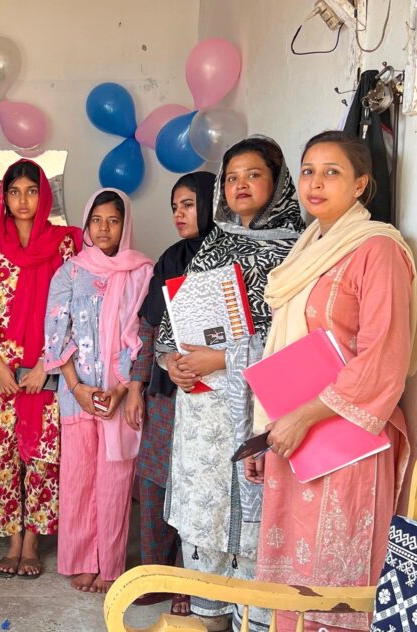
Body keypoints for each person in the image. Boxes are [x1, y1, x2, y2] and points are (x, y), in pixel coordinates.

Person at [252, 131, 417, 632]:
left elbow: (383, 356)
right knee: (292, 579)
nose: (316, 183)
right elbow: (283, 352)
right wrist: (267, 431)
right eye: (308, 171)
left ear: (361, 184)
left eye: (332, 172)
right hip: (293, 435)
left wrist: (305, 416)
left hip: (346, 439)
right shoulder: (309, 249)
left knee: (332, 580)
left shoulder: (377, 250)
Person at [155, 136, 304, 632]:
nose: (241, 185)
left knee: (255, 529)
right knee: (206, 524)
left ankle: (253, 620)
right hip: (203, 414)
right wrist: (171, 362)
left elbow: (300, 342)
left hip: (258, 410)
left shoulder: (299, 251)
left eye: (253, 175)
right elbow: (171, 327)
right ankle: (208, 617)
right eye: (232, 177)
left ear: (277, 182)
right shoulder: (212, 246)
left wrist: (222, 357)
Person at [45, 188, 153, 593]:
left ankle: (109, 565)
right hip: (77, 393)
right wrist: (77, 387)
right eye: (97, 220)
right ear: (87, 224)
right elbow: (56, 332)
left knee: (114, 482)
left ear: (125, 225)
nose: (104, 228)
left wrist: (120, 390)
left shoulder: (142, 271)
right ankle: (82, 561)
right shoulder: (70, 272)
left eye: (113, 220)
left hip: (118, 395)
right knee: (78, 479)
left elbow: (140, 334)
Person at [0, 159, 82, 579]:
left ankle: (32, 542)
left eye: (31, 191)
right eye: (14, 191)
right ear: (4, 198)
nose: (22, 200)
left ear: (44, 197)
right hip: (1, 369)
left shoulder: (65, 245)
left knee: (43, 457)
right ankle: (12, 540)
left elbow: (74, 308)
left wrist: (46, 363)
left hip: (48, 367)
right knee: (1, 454)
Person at [124, 171, 216, 612]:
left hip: (210, 392)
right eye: (174, 207)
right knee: (156, 480)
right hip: (165, 388)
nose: (179, 214)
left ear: (211, 204)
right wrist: (135, 386)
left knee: (196, 486)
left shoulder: (227, 257)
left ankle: (188, 582)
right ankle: (156, 574)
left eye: (188, 204)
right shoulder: (171, 258)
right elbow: (148, 327)